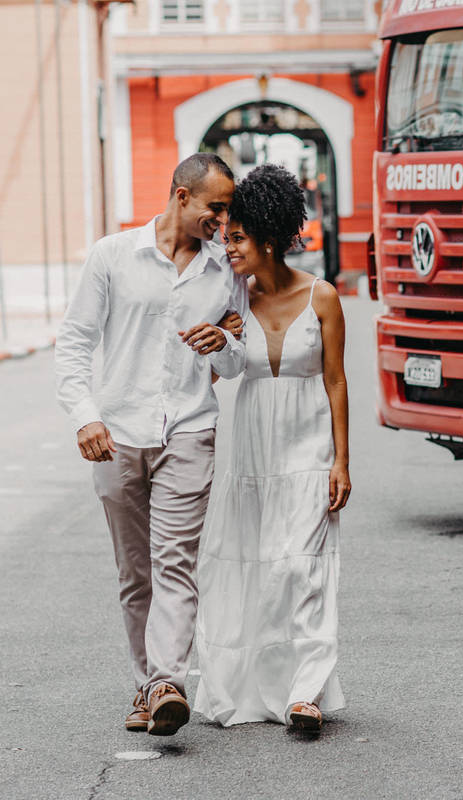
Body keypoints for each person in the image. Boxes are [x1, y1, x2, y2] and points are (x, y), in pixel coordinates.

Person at [55, 153, 247, 736]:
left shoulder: (225, 270)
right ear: (180, 195)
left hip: (189, 429)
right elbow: (74, 343)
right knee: (135, 571)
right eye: (214, 207)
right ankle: (148, 687)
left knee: (175, 563)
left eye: (227, 210)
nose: (221, 221)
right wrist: (85, 415)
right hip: (116, 435)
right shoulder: (112, 255)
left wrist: (220, 344)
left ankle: (167, 680)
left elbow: (238, 361)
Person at [194, 163, 350, 732]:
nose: (227, 247)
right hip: (253, 456)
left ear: (265, 238)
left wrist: (342, 461)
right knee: (259, 571)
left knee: (303, 570)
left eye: (236, 237)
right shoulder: (234, 303)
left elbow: (336, 381)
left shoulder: (324, 297)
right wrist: (217, 341)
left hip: (309, 454)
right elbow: (218, 373)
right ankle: (261, 688)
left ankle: (306, 692)